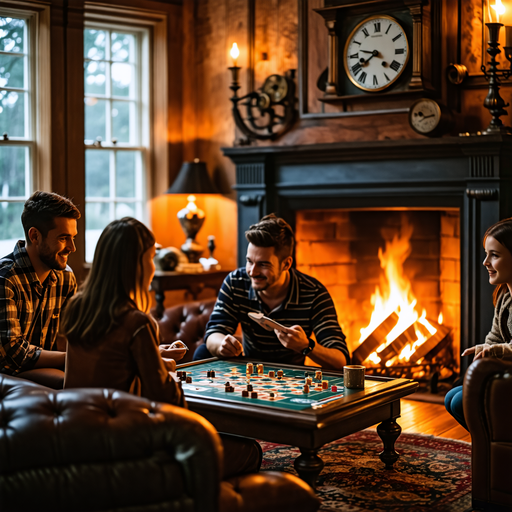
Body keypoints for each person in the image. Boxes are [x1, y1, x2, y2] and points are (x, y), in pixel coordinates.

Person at [62, 217, 261, 478]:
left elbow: (108, 362)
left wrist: (156, 358)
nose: (153, 266)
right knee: (251, 451)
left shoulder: (77, 307)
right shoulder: (137, 321)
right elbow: (167, 401)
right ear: (137, 264)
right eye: (150, 257)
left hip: (74, 437)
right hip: (124, 446)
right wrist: (165, 369)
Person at [195, 214, 349, 370]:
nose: (252, 272)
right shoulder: (236, 282)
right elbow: (213, 333)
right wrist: (222, 345)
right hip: (248, 369)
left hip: (291, 375)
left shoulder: (314, 293)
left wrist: (306, 346)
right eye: (249, 261)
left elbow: (341, 360)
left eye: (263, 264)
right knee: (202, 352)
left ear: (286, 264)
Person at [0, 191, 80, 388]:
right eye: (63, 238)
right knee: (76, 382)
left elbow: (77, 333)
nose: (72, 247)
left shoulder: (66, 277)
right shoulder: (5, 279)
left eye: (73, 238)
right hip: (7, 372)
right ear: (35, 236)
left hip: (45, 365)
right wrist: (73, 359)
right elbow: (15, 352)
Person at [445, 217, 512, 430]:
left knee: (459, 402)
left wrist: (494, 351)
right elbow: (494, 337)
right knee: (452, 396)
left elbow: (499, 346)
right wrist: (486, 349)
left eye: (494, 255)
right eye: (486, 254)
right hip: (505, 371)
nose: (485, 262)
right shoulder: (504, 295)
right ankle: (489, 451)